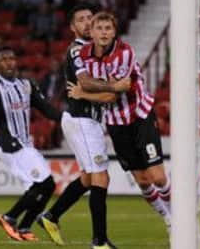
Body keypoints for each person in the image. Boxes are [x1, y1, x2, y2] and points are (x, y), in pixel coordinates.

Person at [37, 3, 129, 249]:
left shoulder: (95, 51)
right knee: (101, 177)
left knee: (89, 178)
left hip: (86, 120)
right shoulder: (78, 50)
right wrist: (114, 87)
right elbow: (85, 83)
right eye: (81, 20)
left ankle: (51, 215)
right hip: (82, 120)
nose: (88, 22)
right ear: (72, 27)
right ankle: (99, 242)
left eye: (91, 17)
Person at [71, 12, 171, 233]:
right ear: (92, 32)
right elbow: (87, 82)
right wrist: (91, 86)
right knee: (144, 182)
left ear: (114, 31)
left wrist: (83, 93)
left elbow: (112, 95)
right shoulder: (83, 54)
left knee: (158, 177)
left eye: (108, 28)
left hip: (140, 116)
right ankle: (168, 219)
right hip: (116, 123)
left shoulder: (123, 53)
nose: (104, 32)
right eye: (100, 28)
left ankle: (177, 218)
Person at [0, 46, 63, 242]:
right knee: (44, 183)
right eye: (3, 59)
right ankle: (9, 217)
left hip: (26, 145)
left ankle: (24, 227)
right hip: (11, 145)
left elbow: (46, 109)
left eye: (11, 58)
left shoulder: (26, 85)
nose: (9, 62)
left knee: (46, 187)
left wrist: (69, 119)